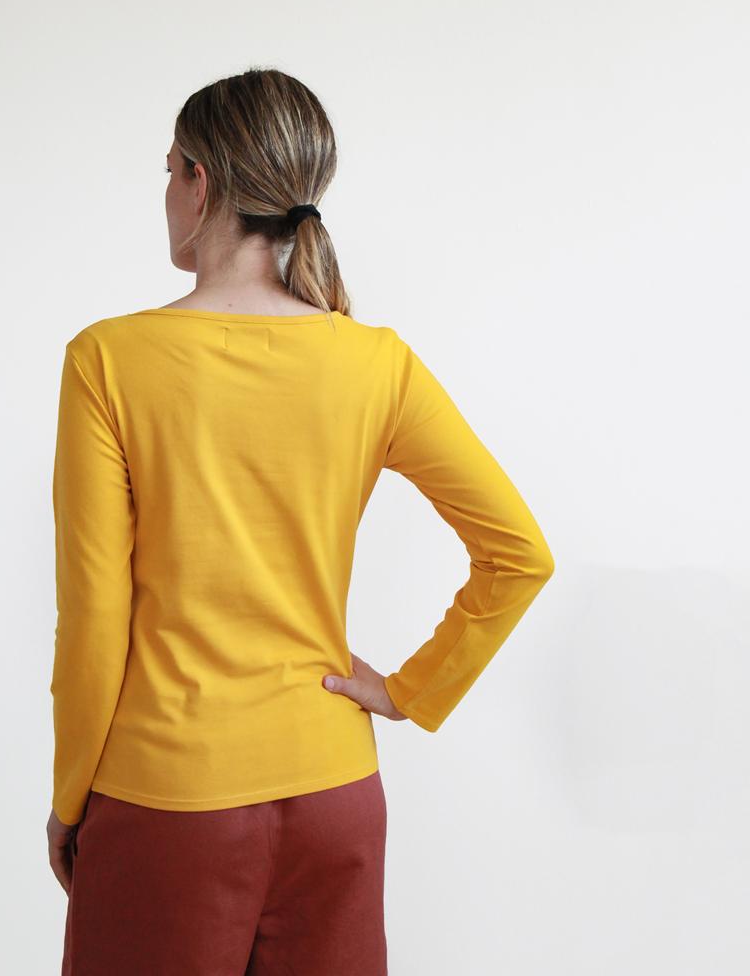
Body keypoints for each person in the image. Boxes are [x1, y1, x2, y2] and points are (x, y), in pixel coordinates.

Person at [46, 67, 555, 975]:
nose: (165, 193)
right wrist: (411, 691)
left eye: (168, 170)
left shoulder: (109, 361)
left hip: (168, 800)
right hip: (335, 797)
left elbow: (95, 616)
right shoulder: (376, 362)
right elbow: (519, 554)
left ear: (200, 182)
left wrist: (71, 798)